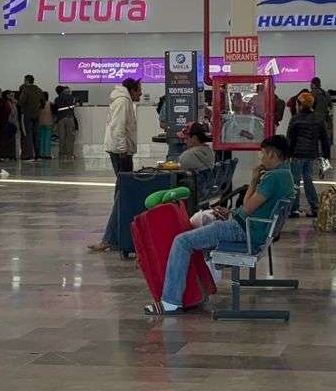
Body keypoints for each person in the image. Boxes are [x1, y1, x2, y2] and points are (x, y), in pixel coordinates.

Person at [144, 135, 294, 315]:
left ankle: (170, 302)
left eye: (262, 154)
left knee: (182, 241)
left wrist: (254, 180)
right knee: (198, 231)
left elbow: (247, 207)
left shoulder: (272, 178)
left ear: (272, 154)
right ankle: (195, 290)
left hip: (244, 231)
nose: (261, 158)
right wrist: (231, 213)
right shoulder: (286, 175)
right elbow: (251, 209)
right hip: (251, 228)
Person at [90, 78, 140, 253]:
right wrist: (122, 150)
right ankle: (110, 238)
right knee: (123, 195)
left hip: (122, 151)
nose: (141, 93)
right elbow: (118, 127)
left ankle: (115, 237)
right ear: (131, 90)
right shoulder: (123, 102)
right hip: (121, 153)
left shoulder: (122, 101)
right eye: (138, 90)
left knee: (122, 193)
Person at [284, 94, 328, 217]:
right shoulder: (318, 119)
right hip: (311, 155)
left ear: (299, 105)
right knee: (308, 180)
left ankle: (293, 209)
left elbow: (290, 139)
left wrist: (287, 155)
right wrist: (325, 158)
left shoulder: (295, 119)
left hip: (297, 155)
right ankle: (315, 207)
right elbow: (324, 140)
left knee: (295, 182)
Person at [17, 75, 47, 160]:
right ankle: (38, 155)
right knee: (36, 135)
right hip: (36, 115)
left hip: (27, 115)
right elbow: (43, 103)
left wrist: (17, 102)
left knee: (27, 134)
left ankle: (29, 155)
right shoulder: (39, 89)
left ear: (26, 81)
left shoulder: (26, 90)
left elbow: (21, 102)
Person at [309, 77, 333, 161]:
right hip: (324, 121)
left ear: (313, 84)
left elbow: (309, 107)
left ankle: (316, 156)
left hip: (313, 120)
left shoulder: (312, 94)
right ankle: (325, 158)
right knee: (324, 139)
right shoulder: (326, 94)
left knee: (314, 139)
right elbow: (330, 106)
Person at [52, 86, 79, 161]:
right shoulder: (71, 97)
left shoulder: (57, 99)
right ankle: (70, 154)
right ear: (63, 90)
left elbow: (55, 109)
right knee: (70, 137)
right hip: (69, 118)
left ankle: (62, 154)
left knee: (62, 137)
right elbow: (76, 104)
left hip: (60, 119)